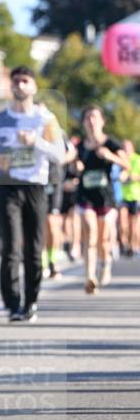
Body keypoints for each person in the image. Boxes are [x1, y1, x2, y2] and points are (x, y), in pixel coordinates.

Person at [0, 65, 65, 323]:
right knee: (11, 246)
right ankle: (13, 303)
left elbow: (59, 155)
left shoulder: (45, 119)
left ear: (34, 87)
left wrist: (35, 142)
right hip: (7, 187)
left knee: (34, 248)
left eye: (25, 81)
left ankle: (31, 302)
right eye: (16, 81)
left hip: (35, 188)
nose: (20, 85)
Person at [75, 105, 129, 293]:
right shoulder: (80, 146)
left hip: (105, 197)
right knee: (89, 233)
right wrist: (76, 167)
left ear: (102, 121)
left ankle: (105, 263)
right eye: (88, 117)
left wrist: (110, 156)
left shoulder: (111, 144)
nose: (91, 121)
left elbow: (126, 165)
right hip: (85, 195)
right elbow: (72, 166)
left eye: (95, 117)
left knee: (103, 239)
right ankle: (89, 276)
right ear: (83, 122)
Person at [42, 133, 77, 280]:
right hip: (36, 182)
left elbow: (72, 152)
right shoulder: (31, 129)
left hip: (55, 182)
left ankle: (53, 262)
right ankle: (41, 262)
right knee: (39, 224)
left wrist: (60, 160)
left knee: (52, 222)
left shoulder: (58, 132)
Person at [119, 139, 140, 257]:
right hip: (122, 196)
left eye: (128, 147)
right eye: (124, 147)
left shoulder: (137, 159)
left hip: (136, 196)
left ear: (132, 148)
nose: (126, 149)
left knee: (134, 225)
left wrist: (134, 176)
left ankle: (133, 246)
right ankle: (124, 243)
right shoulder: (120, 160)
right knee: (122, 222)